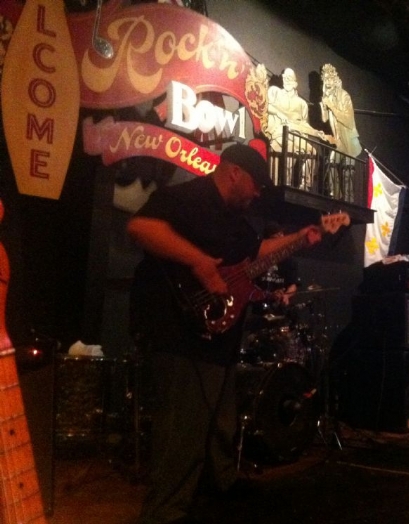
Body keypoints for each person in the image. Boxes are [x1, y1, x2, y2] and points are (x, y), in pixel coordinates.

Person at [127, 142, 322, 524]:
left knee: (222, 420)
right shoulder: (187, 198)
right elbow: (140, 227)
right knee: (183, 428)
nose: (257, 194)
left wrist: (300, 238)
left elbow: (258, 253)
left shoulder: (237, 222)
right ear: (234, 172)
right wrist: (199, 262)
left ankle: (221, 482)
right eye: (255, 185)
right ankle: (164, 510)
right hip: (179, 331)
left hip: (219, 336)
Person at [319, 63, 362, 159]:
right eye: (325, 80)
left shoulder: (344, 96)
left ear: (335, 80)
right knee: (331, 168)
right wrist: (323, 106)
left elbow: (349, 121)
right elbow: (325, 119)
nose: (328, 82)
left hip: (349, 141)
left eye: (330, 79)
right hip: (339, 141)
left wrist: (331, 105)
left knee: (347, 170)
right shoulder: (328, 97)